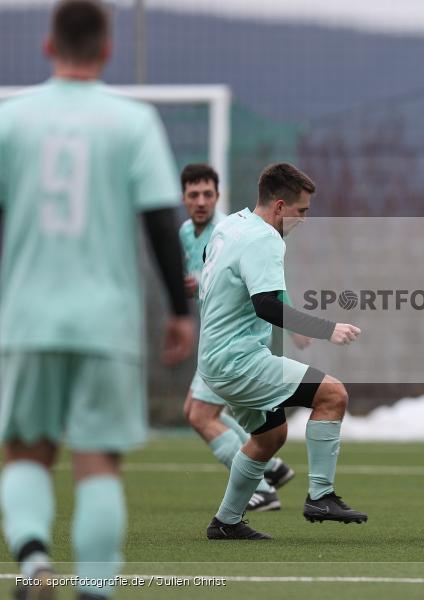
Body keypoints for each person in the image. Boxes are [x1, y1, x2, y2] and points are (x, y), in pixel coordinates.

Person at [0, 1, 194, 598]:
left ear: (47, 46)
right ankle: (96, 590)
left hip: (27, 317)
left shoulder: (11, 120)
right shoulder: (132, 122)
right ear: (107, 50)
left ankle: (33, 562)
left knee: (26, 451)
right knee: (98, 462)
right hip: (106, 322)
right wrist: (180, 311)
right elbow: (162, 222)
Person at [199, 163, 366, 540]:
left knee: (269, 436)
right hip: (238, 360)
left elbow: (214, 262)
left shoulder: (229, 225)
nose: (304, 219)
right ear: (278, 206)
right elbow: (267, 306)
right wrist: (328, 329)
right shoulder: (266, 238)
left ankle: (226, 523)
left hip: (213, 359)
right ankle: (321, 496)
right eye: (301, 211)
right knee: (333, 394)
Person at [178, 164, 295, 512]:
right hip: (215, 338)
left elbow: (265, 286)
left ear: (218, 195)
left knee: (200, 415)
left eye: (208, 194)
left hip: (232, 343)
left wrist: (295, 324)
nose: (200, 201)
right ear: (183, 198)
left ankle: (259, 487)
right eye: (193, 195)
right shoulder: (187, 232)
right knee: (194, 411)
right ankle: (271, 467)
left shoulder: (228, 230)